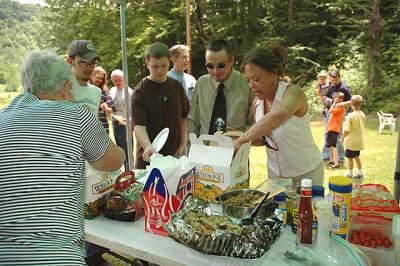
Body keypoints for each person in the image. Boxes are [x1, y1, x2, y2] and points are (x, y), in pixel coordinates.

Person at [0, 51, 125, 265]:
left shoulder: (3, 118)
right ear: (67, 87)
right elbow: (114, 161)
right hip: (59, 257)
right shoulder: (76, 115)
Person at [233, 45, 324, 189]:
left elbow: (281, 114)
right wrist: (235, 139)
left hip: (306, 175)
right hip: (276, 176)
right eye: (248, 80)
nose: (251, 85)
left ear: (273, 74)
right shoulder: (257, 104)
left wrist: (244, 138)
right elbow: (265, 138)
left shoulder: (293, 93)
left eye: (256, 79)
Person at [132, 42, 190, 169]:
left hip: (174, 157)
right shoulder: (140, 92)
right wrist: (148, 146)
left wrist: (183, 139)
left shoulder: (176, 86)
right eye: (155, 66)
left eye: (163, 66)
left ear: (169, 62)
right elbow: (139, 126)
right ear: (147, 64)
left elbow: (183, 116)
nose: (160, 70)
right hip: (149, 159)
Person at [187, 39, 253, 136]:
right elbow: (193, 120)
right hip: (203, 147)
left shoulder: (247, 84)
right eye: (210, 66)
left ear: (231, 61)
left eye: (221, 66)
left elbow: (254, 122)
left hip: (236, 147)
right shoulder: (201, 84)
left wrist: (240, 135)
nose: (215, 71)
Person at [321, 68, 352, 162]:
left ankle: (341, 157)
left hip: (337, 113)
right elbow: (330, 96)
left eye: (336, 80)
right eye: (332, 80)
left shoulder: (343, 88)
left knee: (337, 135)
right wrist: (325, 104)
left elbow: (351, 101)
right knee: (328, 134)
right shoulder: (331, 84)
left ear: (339, 77)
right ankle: (327, 156)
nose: (334, 82)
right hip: (330, 111)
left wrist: (341, 104)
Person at [67, 39, 102, 115]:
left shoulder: (97, 92)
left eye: (92, 63)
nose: (89, 68)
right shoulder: (61, 90)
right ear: (70, 61)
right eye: (83, 62)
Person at [109, 69, 134, 171]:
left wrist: (130, 123)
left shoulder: (129, 92)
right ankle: (125, 170)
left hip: (126, 124)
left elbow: (134, 111)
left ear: (124, 78)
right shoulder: (112, 90)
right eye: (115, 81)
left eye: (119, 79)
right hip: (115, 124)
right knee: (120, 149)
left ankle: (130, 171)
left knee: (128, 149)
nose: (117, 82)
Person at [340, 95, 366, 179]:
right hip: (359, 140)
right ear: (360, 104)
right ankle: (360, 173)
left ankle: (349, 173)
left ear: (350, 103)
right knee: (356, 156)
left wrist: (343, 137)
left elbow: (347, 130)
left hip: (351, 141)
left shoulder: (350, 116)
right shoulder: (362, 114)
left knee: (349, 158)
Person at [90, 66, 114, 134]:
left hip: (102, 128)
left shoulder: (104, 92)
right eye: (98, 77)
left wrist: (106, 108)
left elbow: (110, 112)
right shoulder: (82, 89)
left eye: (102, 79)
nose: (100, 80)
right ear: (91, 75)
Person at [326, 92, 346, 169]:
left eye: (336, 98)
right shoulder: (337, 106)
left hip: (334, 129)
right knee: (330, 146)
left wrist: (334, 102)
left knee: (333, 146)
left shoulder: (341, 108)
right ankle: (331, 160)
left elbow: (330, 110)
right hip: (331, 128)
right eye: (334, 98)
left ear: (341, 99)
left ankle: (336, 163)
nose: (334, 99)